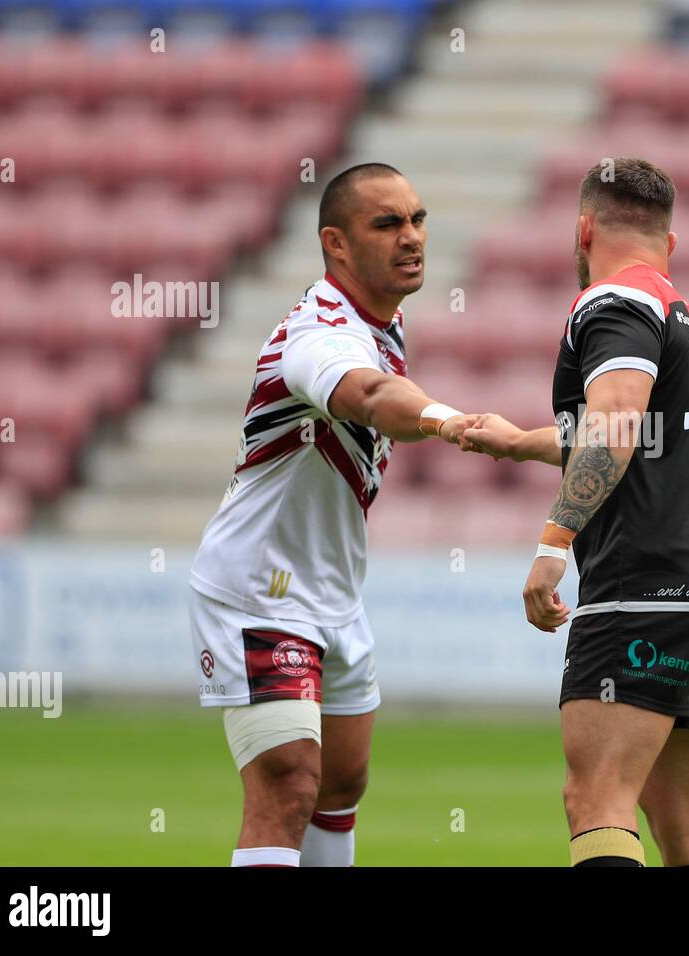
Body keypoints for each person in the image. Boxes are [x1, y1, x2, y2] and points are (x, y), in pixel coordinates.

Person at [461, 157, 689, 867]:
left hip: (642, 583)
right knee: (685, 826)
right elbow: (638, 433)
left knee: (596, 799)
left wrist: (552, 541)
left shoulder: (611, 302)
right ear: (671, 242)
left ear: (585, 227)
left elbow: (617, 425)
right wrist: (518, 443)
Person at [188, 163, 485, 867]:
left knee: (341, 784)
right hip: (260, 590)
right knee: (288, 784)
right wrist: (453, 422)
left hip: (332, 592)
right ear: (337, 244)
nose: (411, 237)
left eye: (417, 220)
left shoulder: (383, 322)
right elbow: (371, 398)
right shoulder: (318, 333)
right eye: (387, 224)